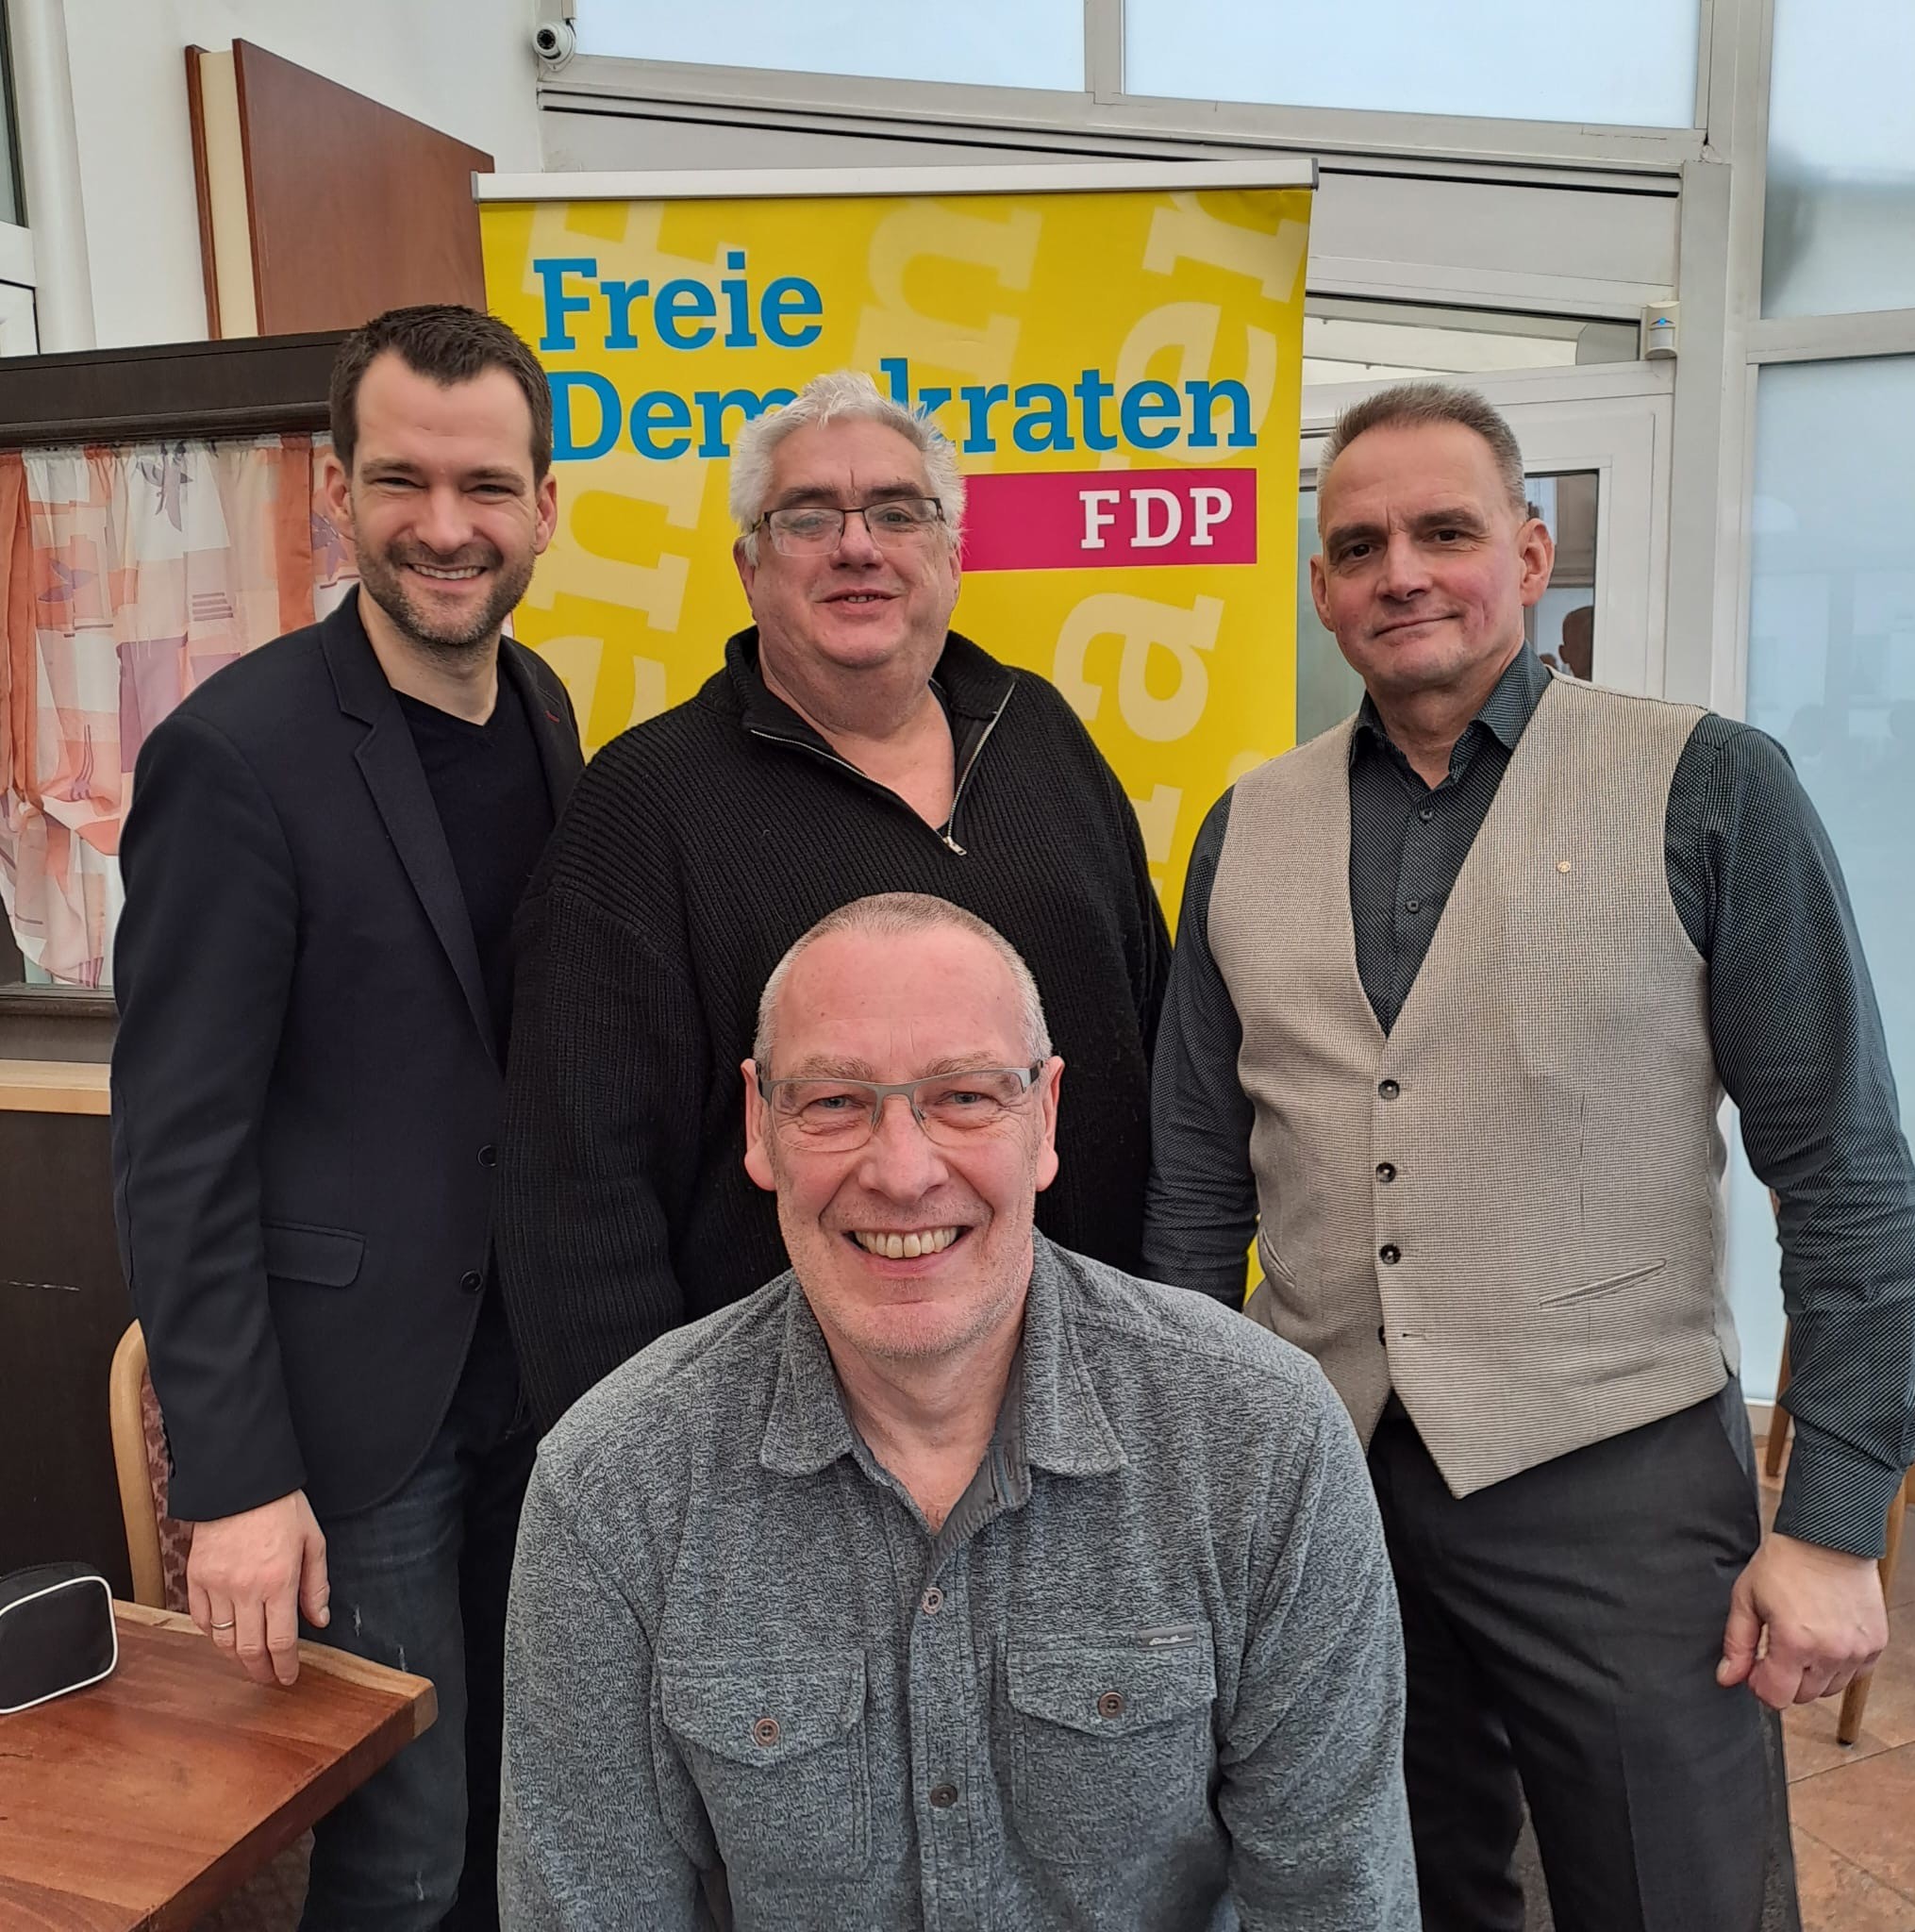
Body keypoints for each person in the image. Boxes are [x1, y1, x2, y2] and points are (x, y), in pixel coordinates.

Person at [1143, 380, 1915, 1931]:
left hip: (1616, 1477)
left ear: (1526, 549)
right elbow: (1194, 1187)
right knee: (1378, 1889)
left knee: (1672, 1890)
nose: (1401, 573)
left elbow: (1843, 1171)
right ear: (1320, 587)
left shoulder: (1710, 786)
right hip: (1326, 1482)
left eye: (1443, 532)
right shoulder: (1245, 828)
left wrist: (1834, 1520)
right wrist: (1186, 1476)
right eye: (1358, 545)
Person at [500, 891, 1418, 1931]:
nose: (902, 1170)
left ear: (1045, 1118)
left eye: (966, 1096)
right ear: (760, 1125)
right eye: (834, 1100)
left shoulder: (1262, 1441)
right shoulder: (610, 1490)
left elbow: (1336, 1901)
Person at [111, 305, 583, 1930]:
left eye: (486, 486)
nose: (446, 526)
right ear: (337, 491)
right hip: (353, 1427)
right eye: (402, 481)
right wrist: (235, 1483)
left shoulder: (544, 711)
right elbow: (176, 1149)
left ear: (543, 505)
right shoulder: (232, 755)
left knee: (522, 1811)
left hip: (532, 1388)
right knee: (400, 1855)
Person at [497, 371, 1169, 1430]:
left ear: (952, 553)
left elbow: (1156, 1049)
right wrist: (643, 1470)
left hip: (1094, 1414)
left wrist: (1169, 1367)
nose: (857, 546)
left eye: (897, 512)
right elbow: (577, 1196)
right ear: (748, 567)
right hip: (784, 1452)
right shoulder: (642, 809)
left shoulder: (1043, 737)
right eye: (807, 517)